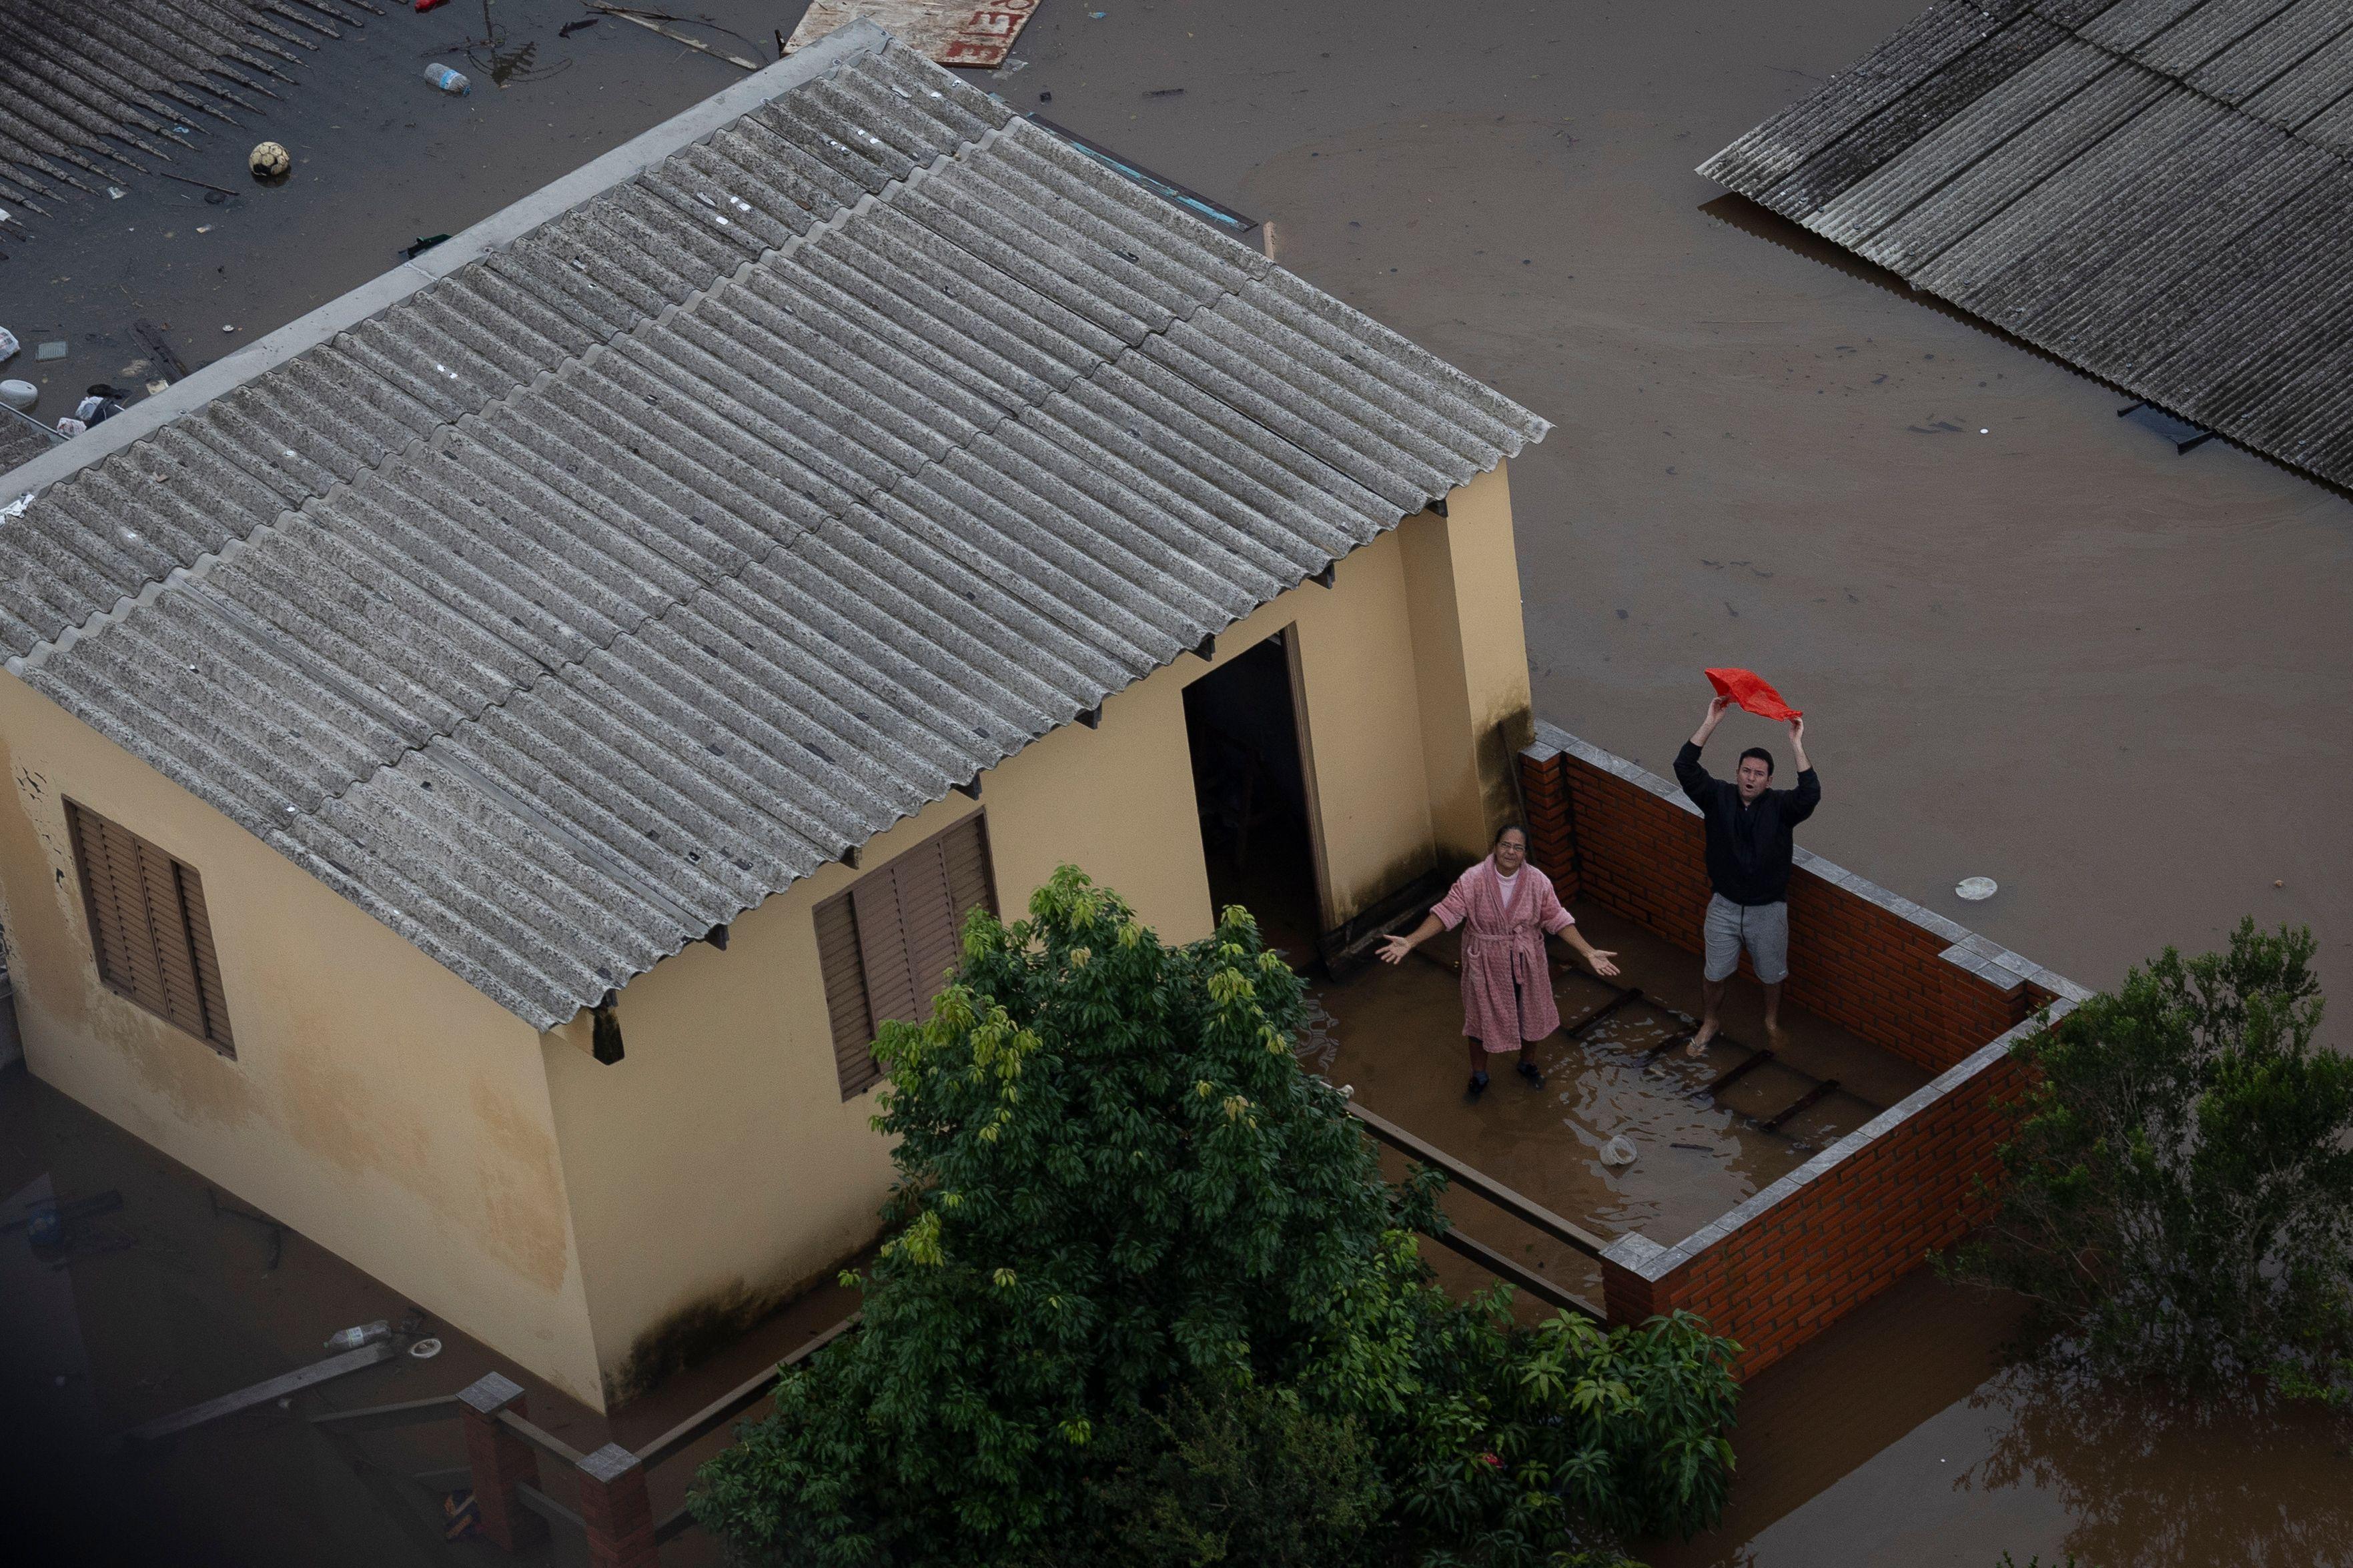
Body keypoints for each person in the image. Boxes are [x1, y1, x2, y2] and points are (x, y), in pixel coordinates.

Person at [1378, 824, 1619, 1099]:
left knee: (1533, 1012)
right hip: (1485, 962)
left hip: (1526, 960)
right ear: (1494, 847)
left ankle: (1527, 1064)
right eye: (1506, 845)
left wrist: (1588, 951)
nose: (1510, 852)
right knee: (1480, 1019)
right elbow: (1447, 912)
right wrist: (1411, 941)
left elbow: (1556, 918)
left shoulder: (1537, 881)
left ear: (1524, 853)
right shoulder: (1473, 880)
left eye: (1518, 847)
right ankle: (1479, 1074)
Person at [1674, 695, 1818, 1055]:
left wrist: (1796, 743)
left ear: (1769, 780)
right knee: (1713, 973)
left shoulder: (1782, 807)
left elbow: (1811, 793)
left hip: (1768, 910)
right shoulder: (1717, 797)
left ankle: (1770, 1020)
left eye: (1758, 774)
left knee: (1772, 976)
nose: (1751, 778)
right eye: (1746, 771)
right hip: (1723, 906)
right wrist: (1711, 722)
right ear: (1736, 772)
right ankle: (1710, 1020)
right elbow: (1685, 766)